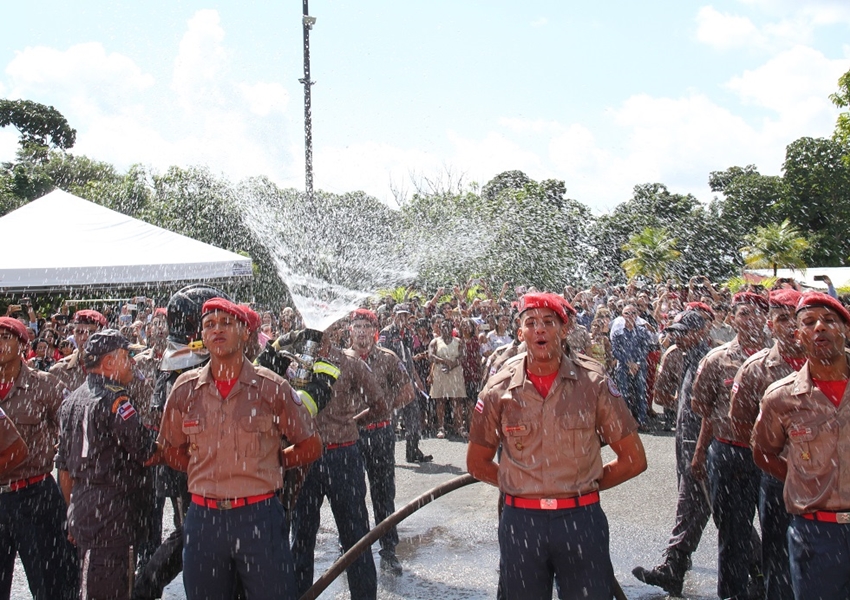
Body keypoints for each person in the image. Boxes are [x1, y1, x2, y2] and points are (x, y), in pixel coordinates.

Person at [467, 292, 646, 600]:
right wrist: (523, 485)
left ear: (564, 330)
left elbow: (633, 459)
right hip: (522, 525)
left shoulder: (594, 382)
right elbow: (477, 462)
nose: (540, 330)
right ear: (520, 332)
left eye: (549, 322)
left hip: (581, 522)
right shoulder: (498, 388)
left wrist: (580, 486)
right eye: (531, 323)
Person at [157, 298, 322, 600]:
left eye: (226, 323)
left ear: (245, 332)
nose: (217, 330)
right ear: (202, 337)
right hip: (204, 521)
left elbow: (310, 445)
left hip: (258, 517)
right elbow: (170, 449)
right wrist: (205, 470)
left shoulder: (272, 388)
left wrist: (275, 463)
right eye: (209, 325)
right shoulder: (184, 389)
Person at [752, 292, 850, 598]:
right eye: (809, 322)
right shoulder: (781, 398)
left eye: (830, 320)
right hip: (816, 534)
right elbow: (763, 452)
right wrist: (803, 480)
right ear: (798, 335)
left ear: (846, 331)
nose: (819, 327)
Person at [56, 330, 159, 600]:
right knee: (112, 587)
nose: (133, 362)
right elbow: (147, 452)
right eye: (127, 356)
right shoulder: (116, 401)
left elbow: (64, 469)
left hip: (84, 505)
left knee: (90, 581)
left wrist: (72, 514)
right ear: (109, 363)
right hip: (113, 511)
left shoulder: (71, 401)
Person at [291, 319, 380, 600]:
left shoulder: (350, 363)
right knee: (302, 536)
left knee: (355, 536)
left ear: (337, 330)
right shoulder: (294, 365)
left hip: (342, 454)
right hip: (306, 457)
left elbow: (379, 404)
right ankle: (300, 594)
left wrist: (350, 424)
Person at [691, 291, 769, 600]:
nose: (751, 320)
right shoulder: (716, 359)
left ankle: (771, 588)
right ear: (732, 319)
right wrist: (699, 454)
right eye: (744, 313)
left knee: (778, 534)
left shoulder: (778, 358)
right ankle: (732, 594)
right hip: (730, 454)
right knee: (733, 536)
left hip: (771, 458)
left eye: (757, 313)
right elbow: (706, 411)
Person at [727, 288, 803, 600]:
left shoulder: (838, 364)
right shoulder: (756, 369)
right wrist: (781, 466)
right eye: (782, 319)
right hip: (779, 479)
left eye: (795, 319)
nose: (791, 327)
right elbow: (743, 425)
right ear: (769, 325)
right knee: (779, 558)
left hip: (835, 481)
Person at [632, 310, 712, 596]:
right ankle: (674, 567)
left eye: (685, 332)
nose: (678, 336)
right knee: (695, 505)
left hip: (705, 446)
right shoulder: (678, 355)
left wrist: (703, 449)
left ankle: (757, 563)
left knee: (715, 507)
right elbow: (661, 397)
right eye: (676, 331)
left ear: (702, 331)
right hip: (685, 440)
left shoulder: (710, 359)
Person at [0, 316, 77, 600]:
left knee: (50, 585)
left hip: (35, 496)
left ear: (22, 344)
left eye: (5, 337)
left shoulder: (44, 385)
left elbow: (73, 431)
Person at [349, 308, 414, 575]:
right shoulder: (341, 359)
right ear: (349, 330)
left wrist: (382, 408)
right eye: (357, 326)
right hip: (350, 436)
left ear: (375, 331)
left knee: (383, 493)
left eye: (366, 326)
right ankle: (352, 550)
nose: (362, 331)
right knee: (351, 495)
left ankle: (388, 549)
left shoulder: (388, 358)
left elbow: (408, 392)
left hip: (380, 433)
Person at [379, 304, 432, 463]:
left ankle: (413, 451)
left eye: (406, 315)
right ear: (394, 315)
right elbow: (382, 357)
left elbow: (408, 357)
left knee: (413, 418)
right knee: (391, 420)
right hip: (393, 383)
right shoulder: (386, 333)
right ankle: (386, 455)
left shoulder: (408, 333)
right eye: (400, 315)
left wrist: (416, 379)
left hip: (408, 382)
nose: (403, 318)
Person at [611, 304, 655, 428]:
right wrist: (628, 363)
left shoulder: (642, 331)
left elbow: (645, 348)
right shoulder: (617, 332)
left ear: (637, 315)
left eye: (633, 313)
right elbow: (615, 351)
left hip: (640, 367)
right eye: (627, 313)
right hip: (623, 367)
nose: (630, 316)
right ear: (622, 316)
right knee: (623, 394)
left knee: (641, 393)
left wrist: (637, 364)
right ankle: (626, 422)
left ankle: (642, 421)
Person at [50, 309, 107, 392]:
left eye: (91, 332)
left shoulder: (117, 368)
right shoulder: (60, 370)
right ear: (73, 334)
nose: (84, 337)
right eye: (79, 332)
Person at [429, 318, 467, 438]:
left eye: (447, 326)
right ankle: (441, 427)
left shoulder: (459, 341)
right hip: (440, 372)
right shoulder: (435, 342)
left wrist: (453, 364)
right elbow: (430, 355)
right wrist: (443, 361)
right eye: (443, 326)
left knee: (457, 400)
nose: (445, 328)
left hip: (455, 372)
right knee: (440, 401)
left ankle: (459, 426)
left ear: (452, 328)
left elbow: (463, 355)